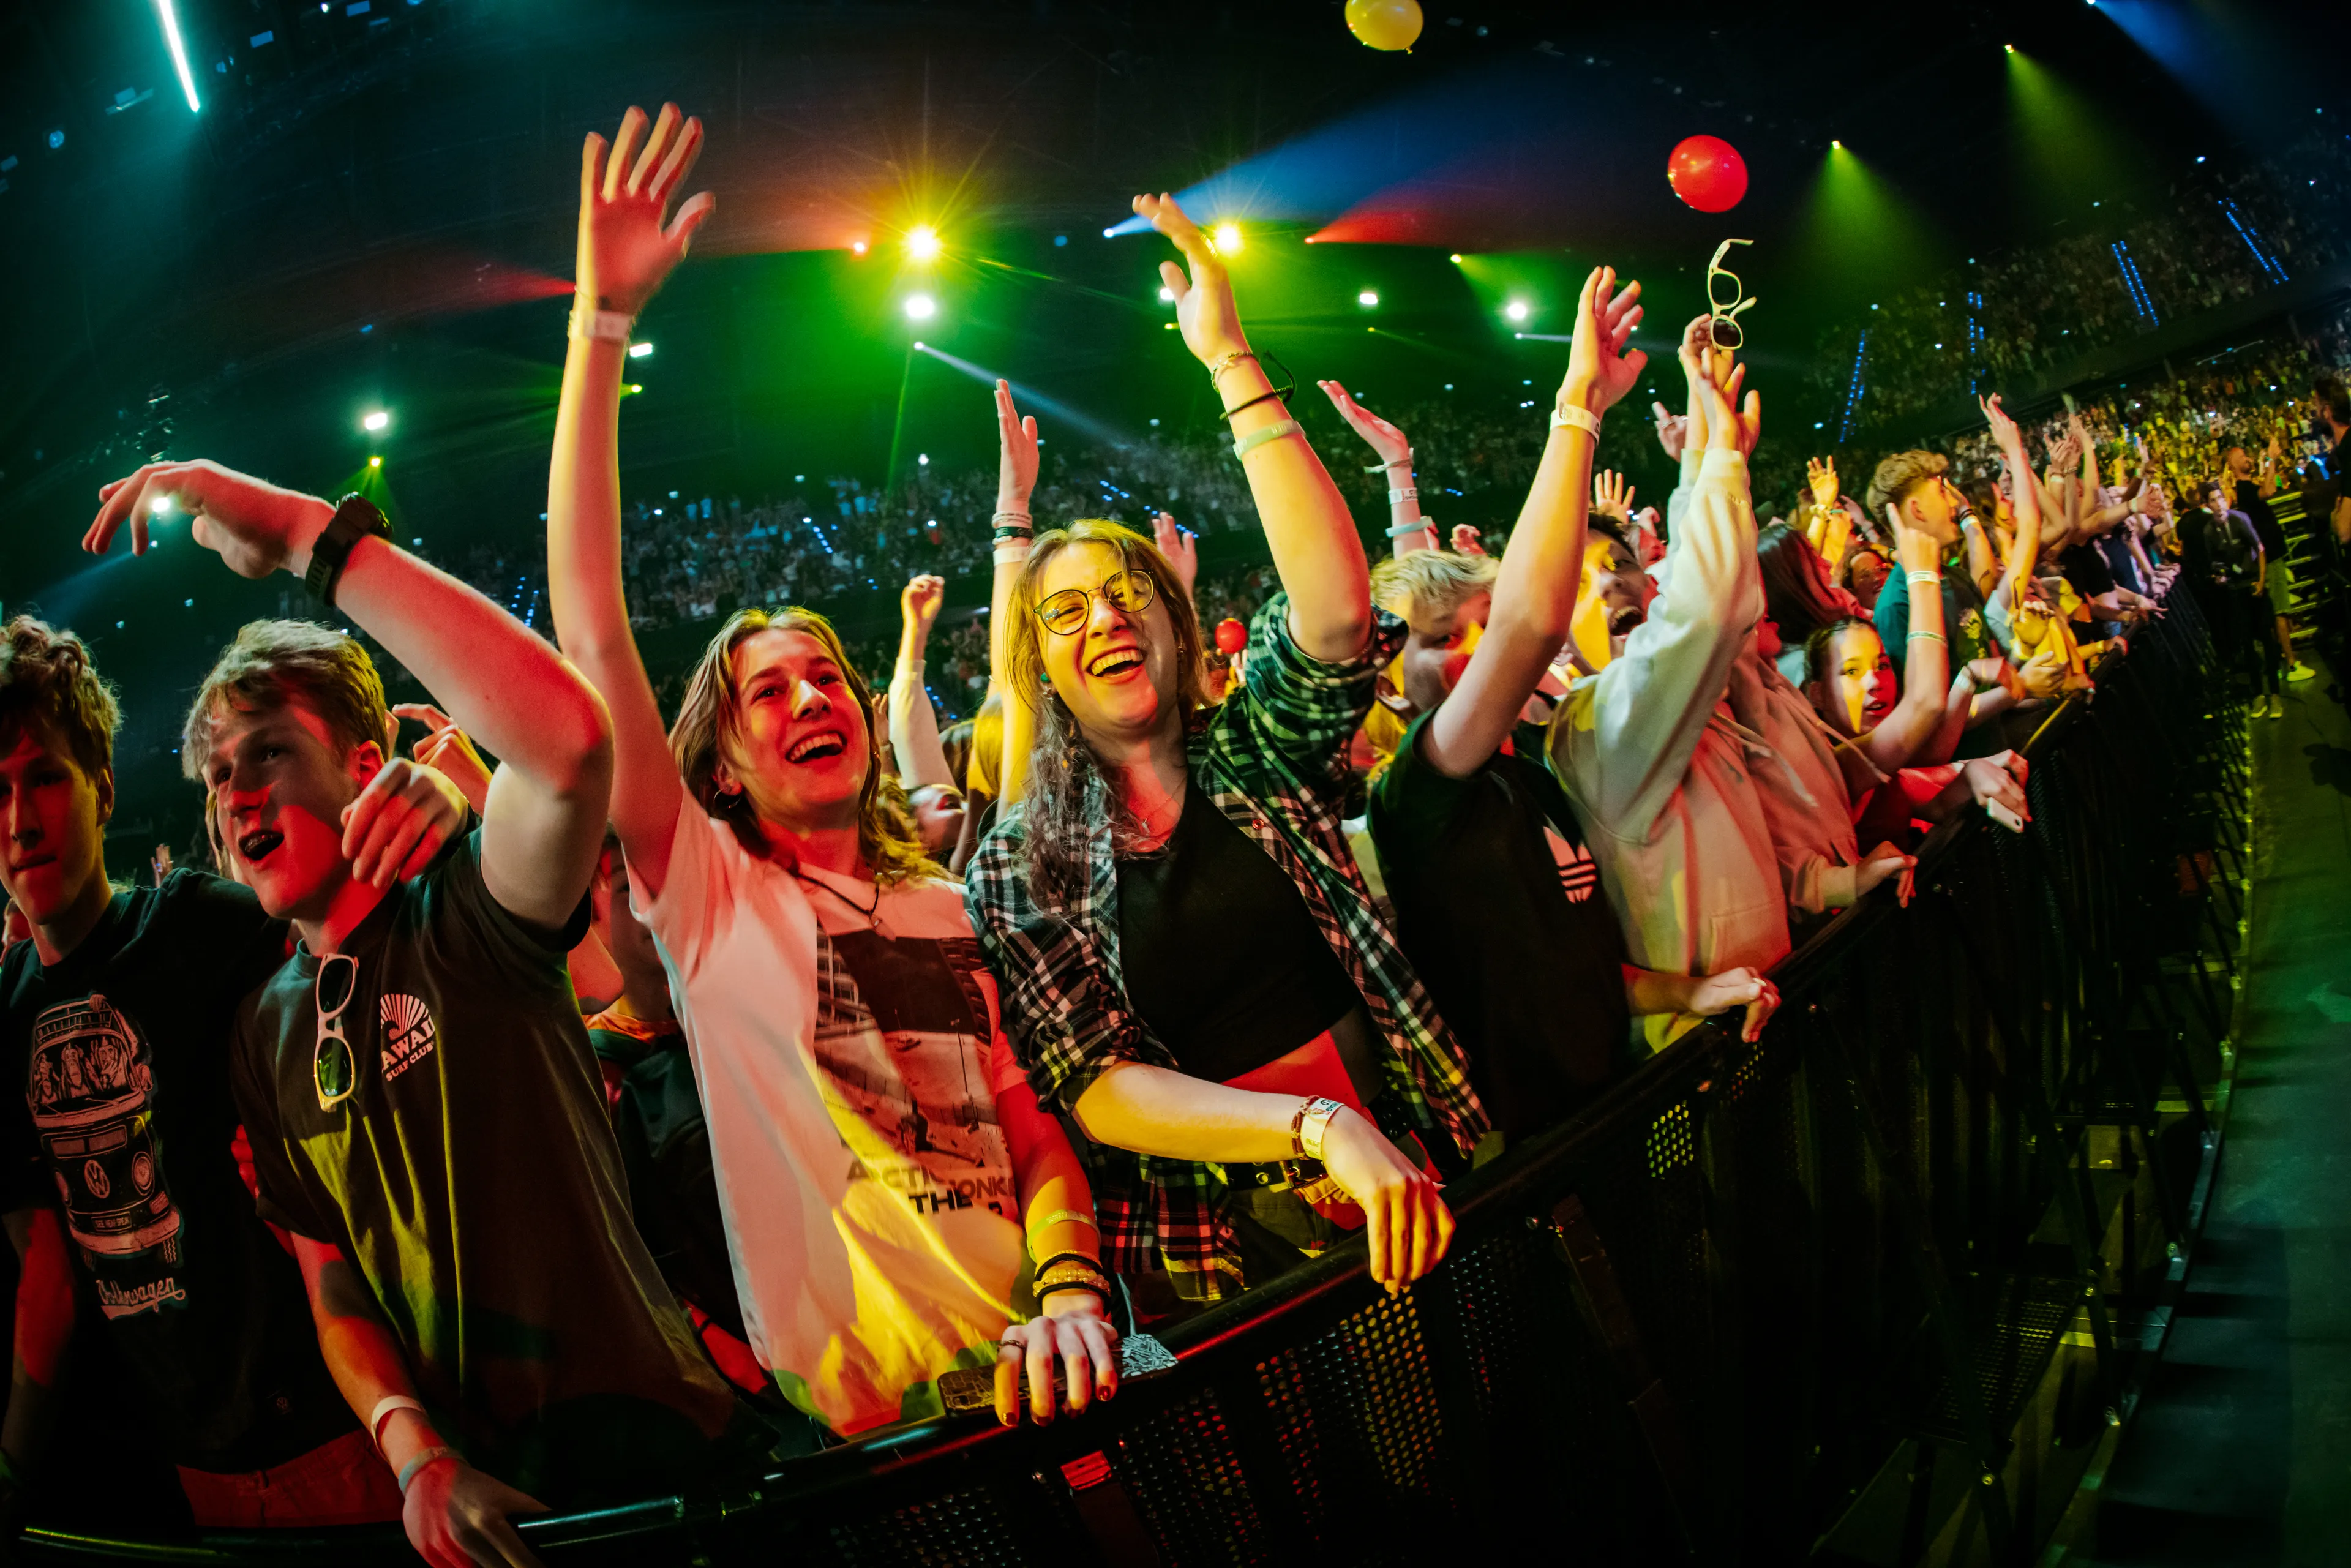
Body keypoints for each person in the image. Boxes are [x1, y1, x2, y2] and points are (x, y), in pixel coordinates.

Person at [544, 104, 1118, 1439]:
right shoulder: (709, 896)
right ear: (722, 768)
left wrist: (1074, 1289)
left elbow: (1029, 1126)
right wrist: (602, 324)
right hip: (888, 1443)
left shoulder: (944, 903)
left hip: (1059, 1366)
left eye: (829, 677)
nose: (813, 698)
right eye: (769, 690)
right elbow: (591, 626)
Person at [79, 456, 766, 1567]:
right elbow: (333, 1279)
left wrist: (305, 536)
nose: (236, 792)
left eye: (269, 752)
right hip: (475, 1503)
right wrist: (415, 1454)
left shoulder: (468, 908)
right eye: (216, 777)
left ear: (366, 765)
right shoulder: (263, 1028)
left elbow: (569, 740)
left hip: (659, 1454)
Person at [967, 192, 1476, 1311]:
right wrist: (1316, 1128)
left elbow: (1337, 618)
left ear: (1174, 621)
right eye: (1067, 614)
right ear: (1040, 667)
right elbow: (1098, 1085)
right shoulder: (1019, 859)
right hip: (1234, 1240)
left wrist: (1230, 360)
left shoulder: (1252, 752)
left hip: (1415, 1145)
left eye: (1127, 592)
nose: (1106, 618)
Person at [2, 613, 467, 1531]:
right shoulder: (5, 1015)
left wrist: (444, 823)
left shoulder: (213, 926)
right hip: (184, 1467)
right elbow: (43, 1265)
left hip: (340, 1432)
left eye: (45, 777)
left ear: (102, 787)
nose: (19, 821)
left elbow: (380, 965)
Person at [1360, 267, 1783, 1146]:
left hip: (1619, 1109)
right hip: (1539, 1161)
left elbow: (1581, 963)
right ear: (1389, 682)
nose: (1480, 650)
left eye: (1482, 625)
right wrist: (1578, 404)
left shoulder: (1535, 772)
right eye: (1442, 639)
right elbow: (1532, 620)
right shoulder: (1418, 796)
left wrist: (1688, 989)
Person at [1544, 316, 1790, 1049]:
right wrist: (1721, 461)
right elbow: (1704, 610)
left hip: (1764, 1012)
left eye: (1618, 563)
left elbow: (1690, 584)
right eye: (1577, 583)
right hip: (1702, 1052)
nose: (1609, 584)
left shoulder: (1667, 690)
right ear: (1552, 633)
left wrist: (1704, 440)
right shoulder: (1592, 724)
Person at [2224, 443, 2313, 684]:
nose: (2248, 458)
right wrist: (2272, 459)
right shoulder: (2244, 489)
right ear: (2233, 466)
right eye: (2242, 457)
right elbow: (2270, 490)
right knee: (2280, 612)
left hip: (2272, 554)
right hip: (2271, 556)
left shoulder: (2247, 487)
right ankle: (2292, 664)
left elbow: (2268, 488)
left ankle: (2284, 661)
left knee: (2278, 612)